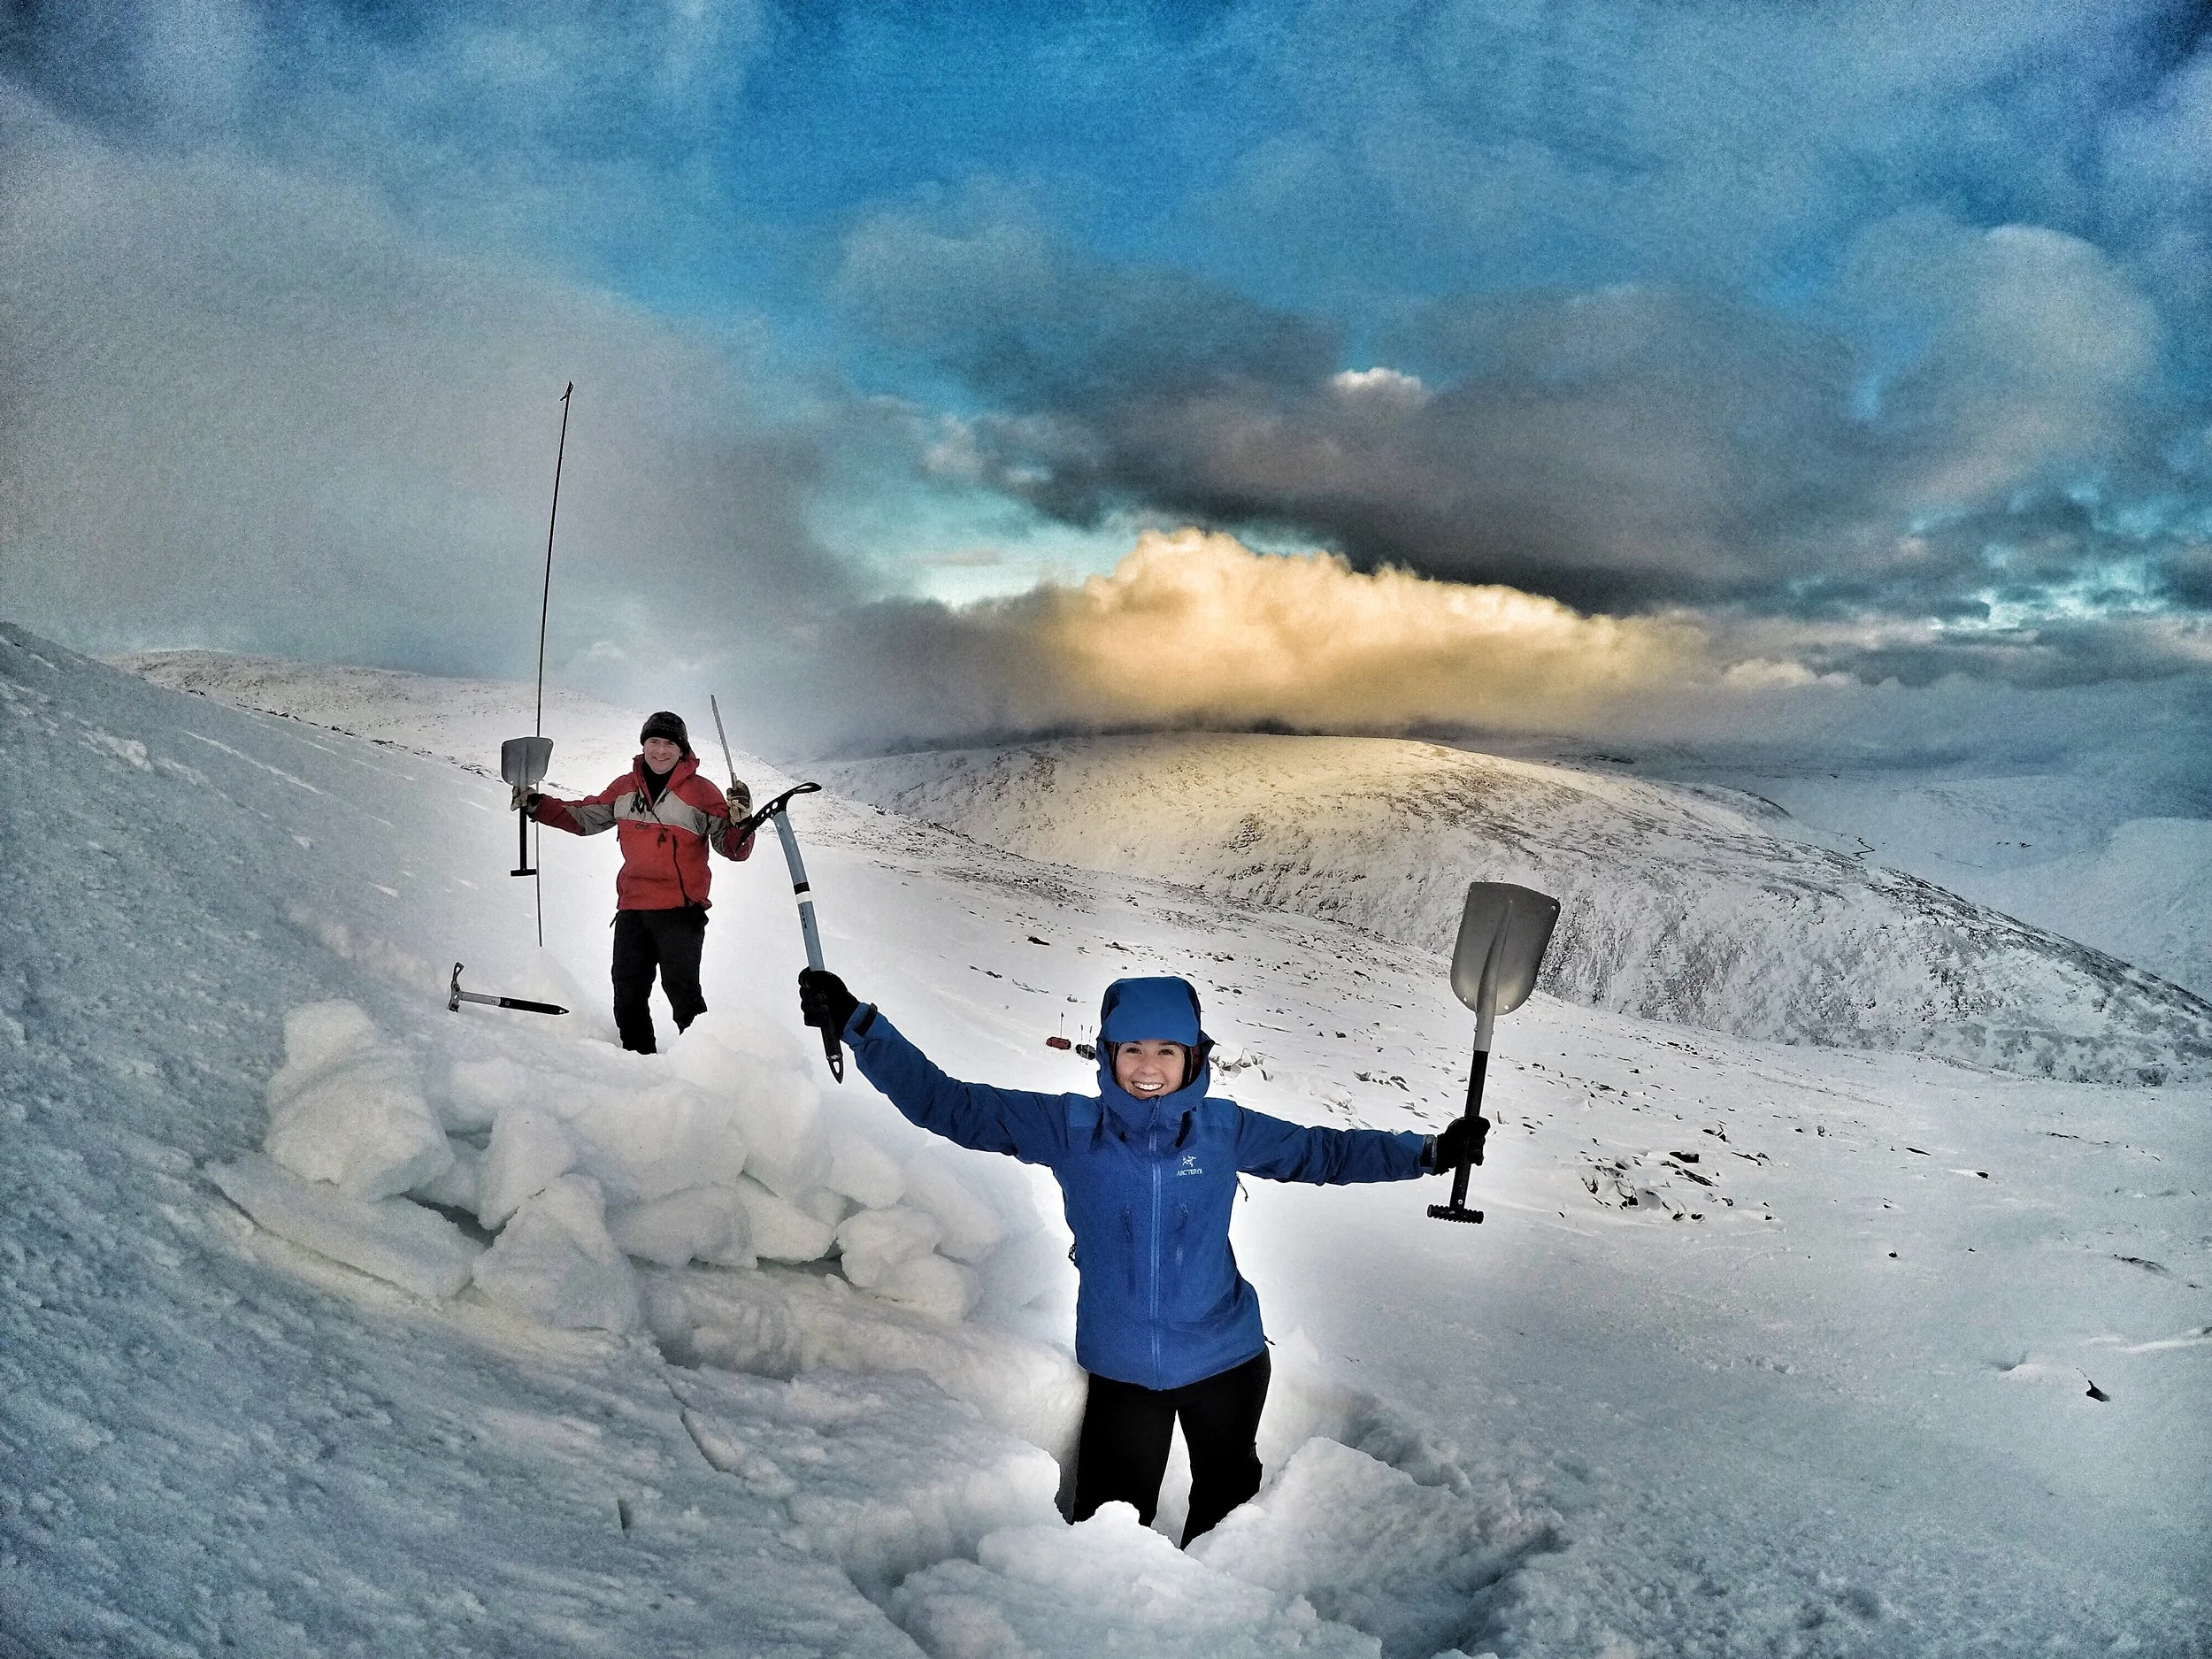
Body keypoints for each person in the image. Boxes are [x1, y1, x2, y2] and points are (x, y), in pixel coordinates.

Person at [795, 967, 1485, 1546]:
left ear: (1194, 1057)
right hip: (1124, 1373)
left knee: (1229, 1531)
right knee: (1107, 1537)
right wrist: (860, 1024)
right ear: (1108, 1053)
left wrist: (1427, 1153)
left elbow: (1324, 1152)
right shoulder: (1071, 1128)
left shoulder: (1223, 1130)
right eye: (1131, 1049)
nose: (1147, 1068)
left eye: (1166, 1050)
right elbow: (952, 1105)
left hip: (1227, 1362)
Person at [518, 710, 755, 1053]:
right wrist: (538, 806)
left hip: (681, 912)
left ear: (682, 749)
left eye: (669, 743)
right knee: (627, 992)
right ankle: (637, 1064)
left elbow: (733, 849)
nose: (660, 750)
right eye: (653, 741)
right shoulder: (624, 788)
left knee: (683, 993)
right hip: (632, 908)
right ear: (643, 745)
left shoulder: (703, 793)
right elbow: (584, 818)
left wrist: (741, 822)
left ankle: (703, 1065)